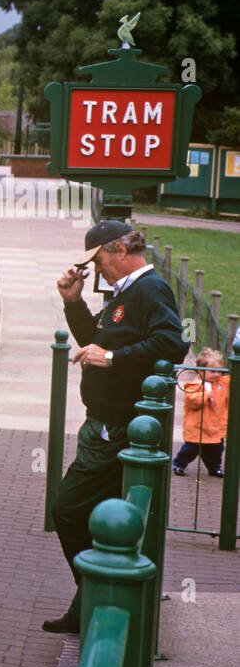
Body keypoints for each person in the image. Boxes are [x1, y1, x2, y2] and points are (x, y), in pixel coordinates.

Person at [45, 221, 188, 634]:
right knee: (88, 513)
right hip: (106, 422)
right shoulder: (126, 292)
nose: (98, 269)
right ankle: (86, 604)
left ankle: (96, 593)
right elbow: (97, 338)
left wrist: (112, 359)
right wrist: (73, 303)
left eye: (100, 259)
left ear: (120, 250)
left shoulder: (149, 289)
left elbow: (170, 342)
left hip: (119, 427)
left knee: (68, 509)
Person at [172, 348, 228, 477]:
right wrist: (206, 395)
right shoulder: (195, 384)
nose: (216, 374)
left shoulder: (222, 384)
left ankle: (214, 468)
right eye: (212, 371)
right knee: (190, 449)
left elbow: (232, 379)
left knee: (216, 450)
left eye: (219, 371)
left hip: (214, 428)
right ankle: (179, 464)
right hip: (198, 427)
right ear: (200, 371)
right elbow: (192, 400)